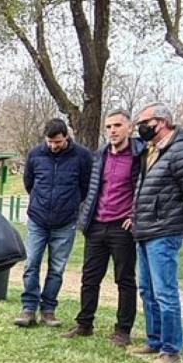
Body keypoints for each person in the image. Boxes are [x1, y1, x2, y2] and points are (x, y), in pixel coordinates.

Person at [129, 102, 183, 363]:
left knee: (165, 292)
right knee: (148, 290)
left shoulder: (180, 151)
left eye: (144, 122)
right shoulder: (151, 151)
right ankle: (155, 341)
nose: (141, 127)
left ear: (161, 122)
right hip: (145, 230)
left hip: (164, 232)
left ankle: (171, 350)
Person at [63, 109, 144, 346]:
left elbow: (144, 187)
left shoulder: (141, 156)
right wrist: (85, 216)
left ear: (129, 128)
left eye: (117, 125)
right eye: (108, 127)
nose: (112, 131)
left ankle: (123, 331)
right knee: (89, 278)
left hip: (122, 227)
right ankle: (84, 323)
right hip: (97, 225)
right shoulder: (100, 156)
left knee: (124, 280)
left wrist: (135, 213)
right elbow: (91, 188)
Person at [15, 118, 92, 328]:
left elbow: (85, 186)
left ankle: (48, 309)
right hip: (37, 219)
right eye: (49, 142)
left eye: (57, 142)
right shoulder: (35, 155)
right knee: (31, 263)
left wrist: (70, 204)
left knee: (57, 268)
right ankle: (28, 308)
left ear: (66, 137)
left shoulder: (82, 157)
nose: (53, 146)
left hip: (65, 222)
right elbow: (29, 183)